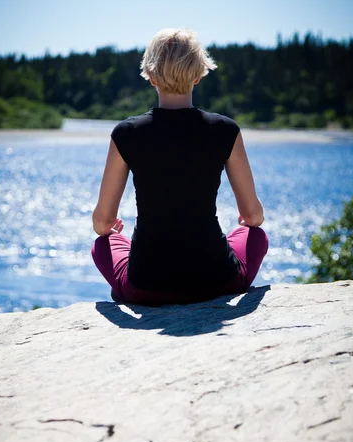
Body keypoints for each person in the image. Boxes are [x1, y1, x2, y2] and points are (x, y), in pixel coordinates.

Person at [91, 28, 268, 305]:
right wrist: (247, 223)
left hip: (146, 287)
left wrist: (112, 231)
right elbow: (253, 217)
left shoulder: (126, 133)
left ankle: (130, 289)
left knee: (103, 244)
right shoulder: (225, 130)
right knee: (255, 236)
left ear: (150, 77)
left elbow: (102, 224)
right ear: (198, 75)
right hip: (218, 280)